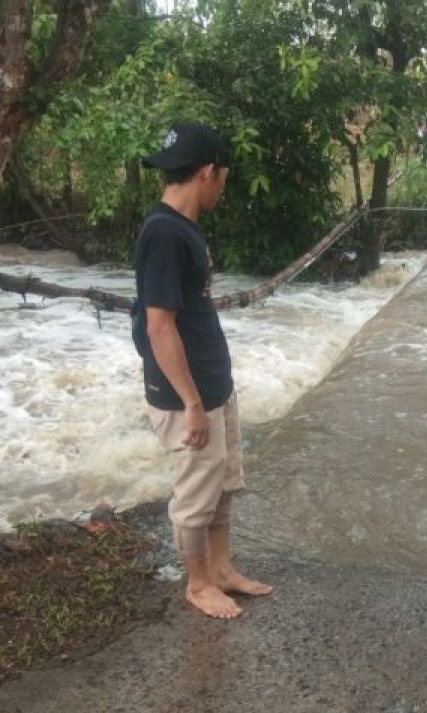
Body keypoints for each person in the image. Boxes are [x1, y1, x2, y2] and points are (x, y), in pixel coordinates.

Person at [131, 122, 273, 620]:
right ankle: (197, 584)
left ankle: (222, 569)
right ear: (209, 171)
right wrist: (191, 403)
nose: (223, 188)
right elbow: (159, 328)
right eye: (224, 179)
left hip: (213, 385)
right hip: (186, 396)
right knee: (195, 495)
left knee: (222, 483)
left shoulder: (181, 227)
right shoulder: (166, 235)